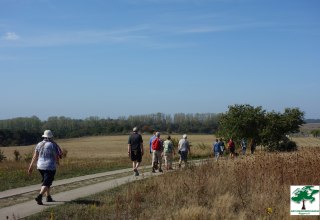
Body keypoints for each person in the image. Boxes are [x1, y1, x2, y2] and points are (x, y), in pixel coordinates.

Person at [28, 130, 63, 205]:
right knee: (47, 183)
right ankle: (39, 196)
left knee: (46, 181)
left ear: (44, 136)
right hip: (50, 166)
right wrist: (57, 162)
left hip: (40, 166)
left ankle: (48, 197)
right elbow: (55, 155)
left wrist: (30, 166)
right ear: (51, 137)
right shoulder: (52, 145)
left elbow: (35, 156)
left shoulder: (39, 144)